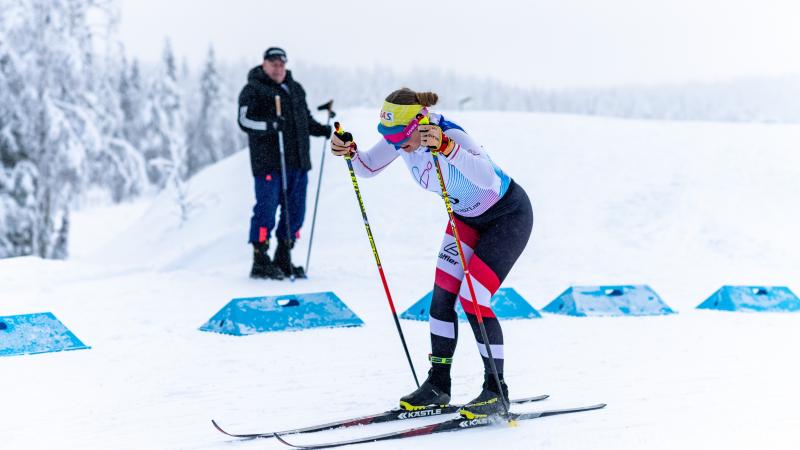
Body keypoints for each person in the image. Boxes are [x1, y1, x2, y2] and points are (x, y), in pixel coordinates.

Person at [330, 88, 534, 419]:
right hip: (465, 219)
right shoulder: (403, 137)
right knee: (440, 300)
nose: (395, 145)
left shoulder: (448, 133)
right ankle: (438, 385)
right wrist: (349, 151)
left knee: (473, 299)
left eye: (399, 137)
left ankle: (497, 391)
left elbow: (490, 181)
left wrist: (446, 147)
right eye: (388, 136)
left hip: (507, 215)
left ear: (418, 123)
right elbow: (368, 166)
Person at [237, 47, 332, 280]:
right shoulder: (253, 89)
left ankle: (283, 257)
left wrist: (323, 129)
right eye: (273, 64)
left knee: (296, 212)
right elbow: (244, 121)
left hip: (298, 162)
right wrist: (271, 126)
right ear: (264, 64)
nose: (278, 68)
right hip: (269, 162)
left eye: (281, 64)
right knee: (266, 210)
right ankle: (260, 260)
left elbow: (304, 119)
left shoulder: (295, 88)